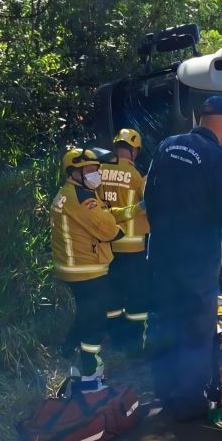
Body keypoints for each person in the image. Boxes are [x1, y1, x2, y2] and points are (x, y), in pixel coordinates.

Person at [145, 95, 222, 420]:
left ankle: (163, 389)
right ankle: (189, 403)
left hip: (163, 255)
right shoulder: (219, 158)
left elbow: (149, 195)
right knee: (195, 328)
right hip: (196, 261)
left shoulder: (167, 146)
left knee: (165, 321)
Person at [50, 147, 142, 390]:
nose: (95, 174)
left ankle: (69, 350)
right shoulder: (83, 200)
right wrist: (119, 229)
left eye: (96, 169)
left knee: (86, 314)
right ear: (75, 172)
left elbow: (107, 214)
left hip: (75, 268)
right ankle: (91, 375)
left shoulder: (70, 194)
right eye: (89, 170)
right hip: (86, 270)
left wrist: (134, 210)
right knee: (94, 323)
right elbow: (109, 229)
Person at [98, 128, 151, 352]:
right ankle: (135, 343)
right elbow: (150, 202)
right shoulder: (136, 176)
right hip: (133, 247)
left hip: (106, 246)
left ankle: (115, 339)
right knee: (137, 299)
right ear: (135, 151)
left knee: (113, 296)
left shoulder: (97, 173)